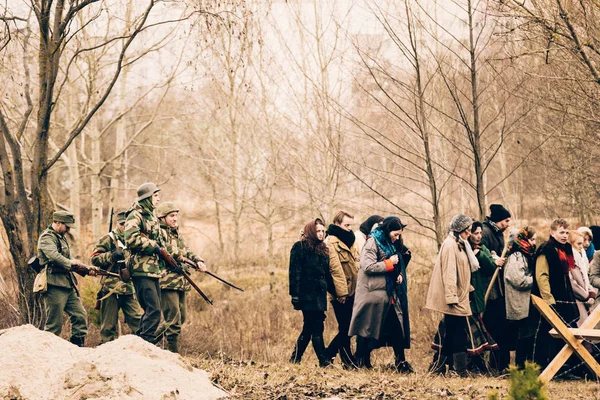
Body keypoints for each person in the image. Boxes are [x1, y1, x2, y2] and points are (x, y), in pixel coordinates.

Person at [349, 216, 413, 373]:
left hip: (388, 294)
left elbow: (395, 265)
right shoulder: (372, 242)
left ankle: (400, 362)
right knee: (367, 330)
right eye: (395, 234)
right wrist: (390, 264)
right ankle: (361, 361)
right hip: (373, 295)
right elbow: (368, 266)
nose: (398, 238)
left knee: (397, 329)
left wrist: (398, 274)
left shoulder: (391, 243)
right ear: (387, 230)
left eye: (399, 235)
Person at [124, 182, 178, 343]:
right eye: (155, 196)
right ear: (147, 198)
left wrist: (173, 261)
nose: (158, 199)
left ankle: (138, 343)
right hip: (141, 269)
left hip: (153, 270)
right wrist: (152, 246)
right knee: (153, 310)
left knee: (153, 310)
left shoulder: (151, 217)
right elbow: (131, 239)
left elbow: (161, 243)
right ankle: (144, 344)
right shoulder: (135, 215)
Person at [154, 202, 207, 353]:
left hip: (180, 281)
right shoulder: (158, 232)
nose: (175, 219)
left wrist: (198, 261)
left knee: (181, 318)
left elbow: (186, 250)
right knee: (173, 320)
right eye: (172, 216)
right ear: (162, 217)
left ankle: (148, 342)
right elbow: (167, 250)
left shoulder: (176, 233)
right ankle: (173, 354)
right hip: (166, 281)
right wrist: (184, 258)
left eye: (176, 215)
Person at [426, 214, 475, 377]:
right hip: (454, 298)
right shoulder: (450, 245)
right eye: (467, 231)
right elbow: (449, 273)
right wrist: (451, 297)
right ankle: (461, 370)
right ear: (459, 230)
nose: (469, 234)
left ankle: (439, 367)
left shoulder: (460, 244)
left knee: (451, 332)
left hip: (460, 295)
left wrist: (469, 288)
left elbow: (463, 271)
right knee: (458, 333)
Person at [531, 218, 579, 369]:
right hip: (550, 298)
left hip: (565, 295)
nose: (565, 235)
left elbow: (568, 273)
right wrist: (548, 301)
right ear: (552, 232)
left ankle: (565, 366)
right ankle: (546, 367)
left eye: (566, 232)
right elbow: (541, 276)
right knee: (548, 334)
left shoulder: (566, 249)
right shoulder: (546, 249)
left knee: (567, 330)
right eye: (561, 232)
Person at [37, 211, 90, 346]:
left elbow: (66, 258)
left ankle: (77, 348)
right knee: (54, 324)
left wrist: (84, 267)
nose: (68, 229)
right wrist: (71, 263)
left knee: (80, 316)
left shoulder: (61, 237)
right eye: (67, 226)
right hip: (54, 285)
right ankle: (47, 352)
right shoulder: (46, 238)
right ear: (58, 223)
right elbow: (54, 255)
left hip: (67, 284)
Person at [91, 210, 143, 343]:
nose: (124, 227)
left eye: (127, 224)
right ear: (116, 224)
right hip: (111, 288)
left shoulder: (135, 239)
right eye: (122, 224)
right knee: (108, 326)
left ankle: (141, 350)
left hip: (129, 288)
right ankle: (106, 355)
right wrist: (111, 255)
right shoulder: (108, 239)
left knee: (138, 321)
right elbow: (94, 259)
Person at [289, 218, 335, 367]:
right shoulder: (299, 247)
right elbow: (294, 272)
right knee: (316, 327)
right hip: (307, 296)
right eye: (318, 231)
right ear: (310, 231)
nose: (321, 234)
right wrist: (295, 295)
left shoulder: (324, 249)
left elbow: (327, 275)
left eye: (323, 231)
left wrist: (337, 292)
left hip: (320, 296)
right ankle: (324, 361)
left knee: (309, 328)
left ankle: (295, 358)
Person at [325, 211, 360, 368]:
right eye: (346, 225)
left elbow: (357, 262)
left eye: (351, 225)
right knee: (346, 327)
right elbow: (334, 270)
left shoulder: (350, 240)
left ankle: (345, 358)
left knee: (349, 327)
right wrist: (341, 293)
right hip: (340, 293)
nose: (349, 228)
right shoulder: (330, 243)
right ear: (337, 223)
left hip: (354, 290)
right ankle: (332, 355)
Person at [481, 203, 511, 373]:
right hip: (489, 289)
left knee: (500, 327)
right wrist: (493, 259)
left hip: (498, 289)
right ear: (498, 220)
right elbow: (482, 254)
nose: (507, 224)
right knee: (492, 327)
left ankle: (500, 365)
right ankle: (493, 365)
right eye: (506, 220)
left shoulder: (498, 233)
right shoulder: (485, 232)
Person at [504, 226, 537, 368]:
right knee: (522, 336)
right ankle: (520, 366)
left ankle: (525, 365)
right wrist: (534, 280)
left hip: (525, 302)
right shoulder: (516, 257)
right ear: (524, 240)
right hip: (518, 301)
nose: (534, 243)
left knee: (527, 335)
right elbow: (518, 280)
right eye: (532, 239)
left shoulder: (526, 255)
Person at [568, 231, 596, 326]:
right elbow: (572, 281)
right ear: (571, 243)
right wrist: (586, 296)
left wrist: (590, 291)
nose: (582, 245)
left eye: (582, 242)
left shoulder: (582, 255)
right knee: (582, 326)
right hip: (577, 298)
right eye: (578, 243)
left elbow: (586, 277)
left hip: (585, 293)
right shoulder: (570, 259)